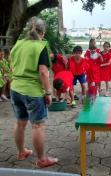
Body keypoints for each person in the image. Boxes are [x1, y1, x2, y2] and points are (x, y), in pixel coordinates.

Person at [10, 17, 58, 168]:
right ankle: (42, 160)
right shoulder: (41, 46)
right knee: (37, 126)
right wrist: (48, 93)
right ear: (43, 32)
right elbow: (44, 73)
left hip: (15, 88)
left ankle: (21, 152)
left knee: (20, 122)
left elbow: (12, 66)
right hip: (32, 92)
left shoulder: (18, 44)